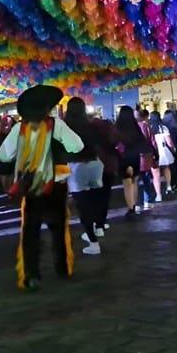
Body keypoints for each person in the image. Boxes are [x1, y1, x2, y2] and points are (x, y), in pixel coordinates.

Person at [0, 85, 83, 291]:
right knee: (59, 229)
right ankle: (62, 269)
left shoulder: (20, 129)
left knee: (30, 232)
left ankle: (31, 275)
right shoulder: (56, 125)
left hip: (30, 188)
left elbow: (2, 155)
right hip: (55, 185)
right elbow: (77, 145)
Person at [64, 97, 106, 255]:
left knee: (83, 206)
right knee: (94, 201)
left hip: (76, 166)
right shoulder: (91, 125)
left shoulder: (65, 126)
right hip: (95, 164)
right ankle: (95, 229)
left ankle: (93, 242)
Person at [116, 105, 151, 217]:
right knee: (135, 181)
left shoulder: (117, 127)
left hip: (123, 158)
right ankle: (135, 205)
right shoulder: (135, 127)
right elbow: (143, 142)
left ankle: (130, 208)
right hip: (135, 157)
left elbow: (113, 142)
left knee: (127, 183)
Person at [136, 108, 158, 210]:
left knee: (134, 181)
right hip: (145, 155)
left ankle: (135, 204)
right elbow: (152, 141)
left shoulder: (132, 127)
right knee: (146, 179)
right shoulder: (146, 126)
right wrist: (155, 154)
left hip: (135, 156)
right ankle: (147, 201)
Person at [150, 111, 175, 198]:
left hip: (153, 152)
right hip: (163, 151)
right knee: (166, 168)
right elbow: (169, 142)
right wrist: (173, 148)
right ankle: (168, 186)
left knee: (155, 175)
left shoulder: (149, 128)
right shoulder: (163, 128)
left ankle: (158, 195)